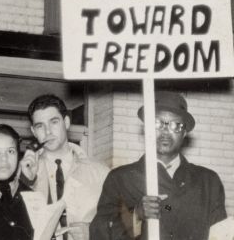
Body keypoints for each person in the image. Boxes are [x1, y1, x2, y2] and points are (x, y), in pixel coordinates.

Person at [90, 91, 227, 240]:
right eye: (157, 123)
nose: (165, 131)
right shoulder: (120, 178)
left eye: (176, 125)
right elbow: (98, 233)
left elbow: (220, 235)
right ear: (146, 128)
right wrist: (135, 215)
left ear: (184, 133)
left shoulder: (208, 182)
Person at [20, 94, 109, 240]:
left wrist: (93, 233)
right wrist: (26, 181)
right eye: (40, 126)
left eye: (53, 122)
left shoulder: (100, 172)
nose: (47, 131)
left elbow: (120, 223)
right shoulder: (22, 173)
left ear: (66, 122)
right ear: (34, 131)